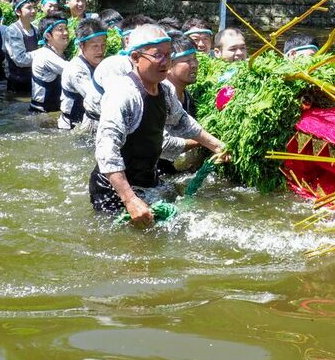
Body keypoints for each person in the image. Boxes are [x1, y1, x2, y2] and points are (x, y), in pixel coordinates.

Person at [90, 25, 231, 223]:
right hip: (114, 189)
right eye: (158, 55)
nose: (165, 62)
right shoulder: (123, 95)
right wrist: (130, 200)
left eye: (168, 55)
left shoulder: (164, 89)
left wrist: (217, 146)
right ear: (136, 58)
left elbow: (182, 121)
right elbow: (106, 152)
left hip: (148, 180)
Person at [160, 35, 204, 173]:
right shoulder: (158, 99)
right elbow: (162, 145)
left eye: (195, 59)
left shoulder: (188, 98)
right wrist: (202, 141)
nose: (194, 65)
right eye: (187, 61)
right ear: (168, 65)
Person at [59, 18, 106, 130]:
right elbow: (95, 99)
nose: (100, 51)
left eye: (103, 45)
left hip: (89, 122)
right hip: (71, 128)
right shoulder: (76, 69)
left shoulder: (101, 63)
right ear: (81, 46)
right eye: (94, 46)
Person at [30, 12, 69, 113]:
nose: (66, 33)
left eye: (66, 29)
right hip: (41, 114)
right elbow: (72, 71)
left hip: (53, 111)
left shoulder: (61, 54)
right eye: (60, 30)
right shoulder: (45, 55)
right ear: (48, 35)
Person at [3, 0, 39, 94]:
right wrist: (43, 53)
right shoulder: (12, 31)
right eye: (29, 8)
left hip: (34, 82)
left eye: (34, 7)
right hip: (17, 84)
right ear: (18, 11)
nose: (33, 11)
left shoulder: (36, 30)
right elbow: (20, 60)